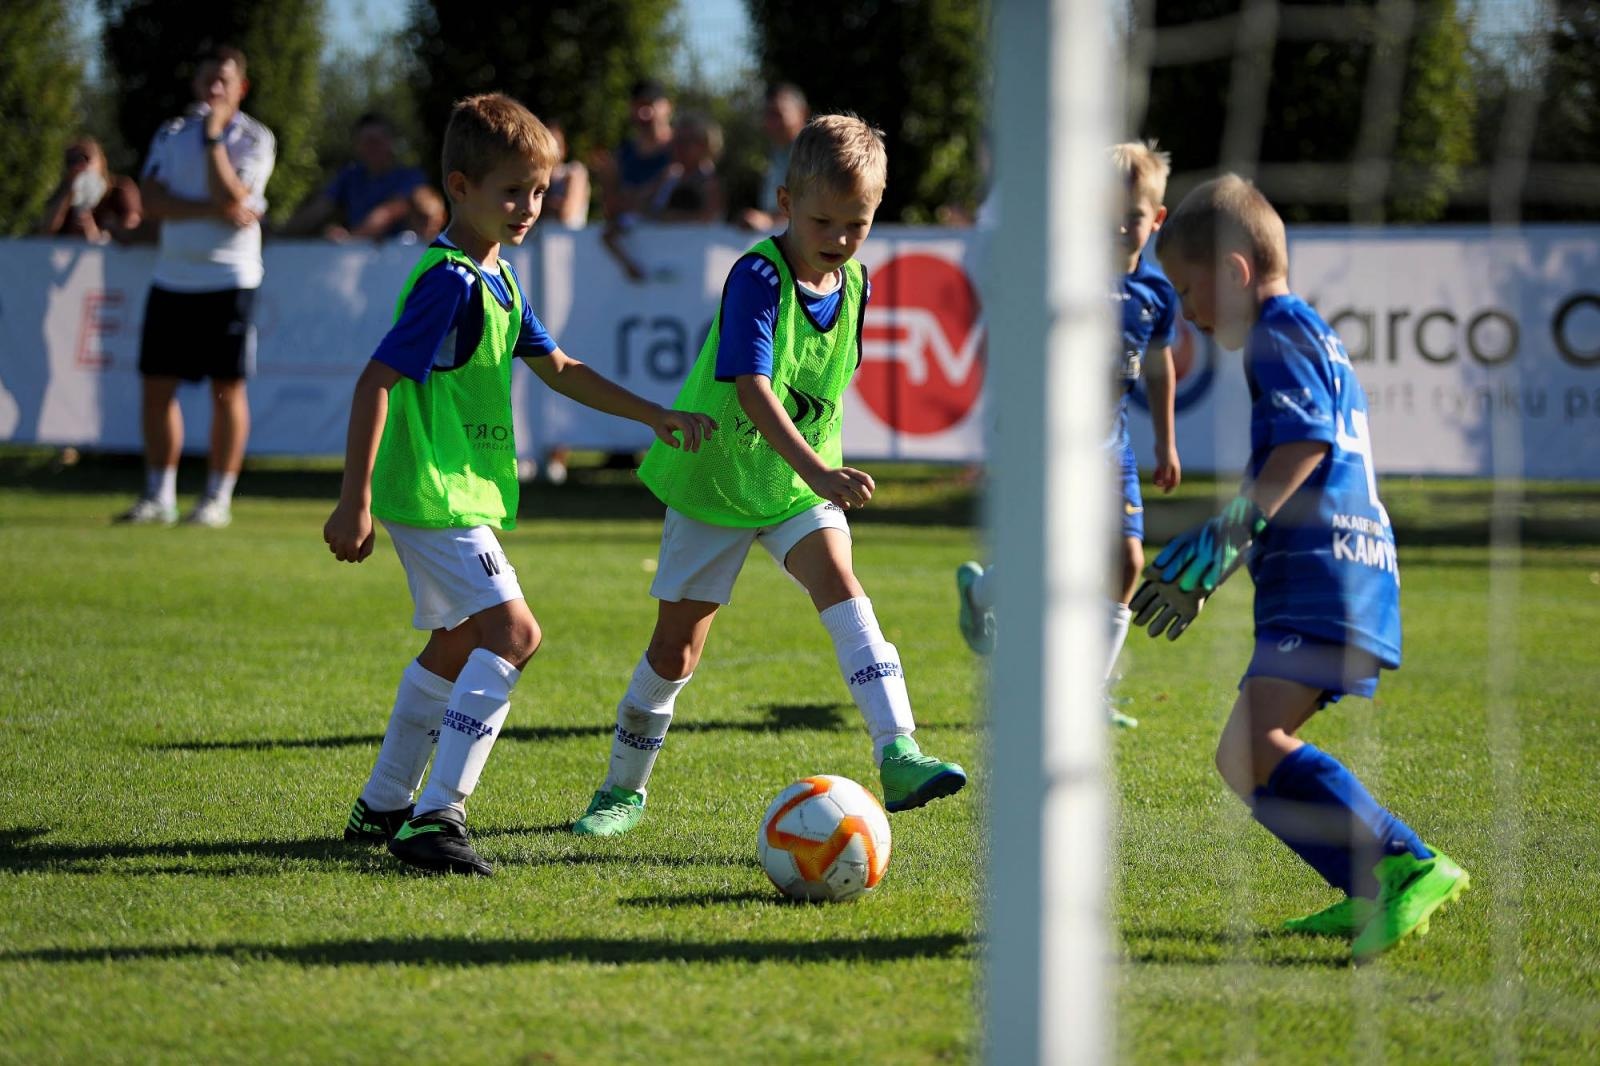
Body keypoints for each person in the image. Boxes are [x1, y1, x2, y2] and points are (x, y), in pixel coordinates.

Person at [324, 93, 714, 877]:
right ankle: (438, 818)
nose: (529, 207)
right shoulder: (451, 282)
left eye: (538, 192)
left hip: (455, 493)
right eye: (512, 192)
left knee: (459, 641)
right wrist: (353, 497)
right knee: (516, 635)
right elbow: (376, 381)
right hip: (432, 492)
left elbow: (560, 368)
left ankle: (385, 802)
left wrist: (654, 416)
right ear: (460, 187)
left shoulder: (498, 280)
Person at [569, 113, 967, 838]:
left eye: (861, 223)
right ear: (784, 204)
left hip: (789, 488)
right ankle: (621, 792)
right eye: (825, 220)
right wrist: (820, 468)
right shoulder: (758, 275)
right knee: (675, 649)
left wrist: (812, 476)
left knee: (843, 587)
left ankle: (899, 750)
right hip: (716, 483)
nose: (843, 239)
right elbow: (752, 388)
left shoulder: (856, 284)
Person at [1130, 173, 1469, 959]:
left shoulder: (1279, 333)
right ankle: (1371, 887)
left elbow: (1306, 443)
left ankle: (1407, 863)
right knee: (1243, 752)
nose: (1184, 310)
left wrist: (1226, 539)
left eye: (1188, 287)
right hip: (1343, 566)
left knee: (1256, 745)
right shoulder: (1311, 330)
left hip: (1326, 571)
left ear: (1237, 271)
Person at [956, 141, 1182, 730]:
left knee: (1127, 559)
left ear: (1154, 221)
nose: (1118, 228)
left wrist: (1167, 442)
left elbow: (1159, 367)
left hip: (1114, 446)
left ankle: (1092, 692)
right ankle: (982, 596)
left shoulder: (1157, 295)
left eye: (1131, 217)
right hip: (1050, 442)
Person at [117, 45, 275, 528]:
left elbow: (235, 194)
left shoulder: (254, 137)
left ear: (240, 87)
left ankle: (216, 500)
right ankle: (159, 496)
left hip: (230, 280)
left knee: (227, 390)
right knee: (156, 389)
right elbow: (151, 200)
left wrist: (212, 139)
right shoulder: (170, 132)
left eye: (224, 81)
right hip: (172, 279)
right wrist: (215, 210)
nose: (214, 89)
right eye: (207, 79)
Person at [284, 113, 438, 242]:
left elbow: (387, 213)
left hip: (399, 262)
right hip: (357, 259)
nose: (372, 147)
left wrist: (351, 239)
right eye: (366, 142)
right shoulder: (349, 176)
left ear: (390, 142)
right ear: (357, 145)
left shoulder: (410, 176)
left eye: (377, 141)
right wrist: (281, 233)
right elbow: (319, 208)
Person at [597, 79, 675, 282]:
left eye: (649, 105)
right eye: (637, 106)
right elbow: (612, 208)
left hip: (678, 253)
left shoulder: (683, 149)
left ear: (667, 107)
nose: (643, 114)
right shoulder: (622, 155)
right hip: (633, 259)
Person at [36, 136, 143, 244]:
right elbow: (45, 234)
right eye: (71, 161)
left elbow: (131, 230)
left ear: (101, 161)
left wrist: (96, 233)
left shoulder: (120, 189)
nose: (79, 166)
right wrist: (67, 194)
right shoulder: (64, 195)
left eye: (85, 158)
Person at [739, 83, 808, 232]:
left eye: (777, 113)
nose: (771, 121)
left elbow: (817, 208)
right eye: (767, 114)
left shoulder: (814, 154)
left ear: (802, 113)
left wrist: (769, 220)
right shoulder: (776, 152)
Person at [653, 112, 724, 223]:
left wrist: (673, 217)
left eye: (689, 141)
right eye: (678, 140)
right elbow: (651, 209)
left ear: (705, 144)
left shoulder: (711, 181)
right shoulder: (668, 177)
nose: (681, 147)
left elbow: (710, 217)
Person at [543, 119, 591, 228]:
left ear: (564, 148)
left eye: (557, 146)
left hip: (570, 239)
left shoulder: (575, 170)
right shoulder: (536, 175)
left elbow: (566, 212)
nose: (553, 151)